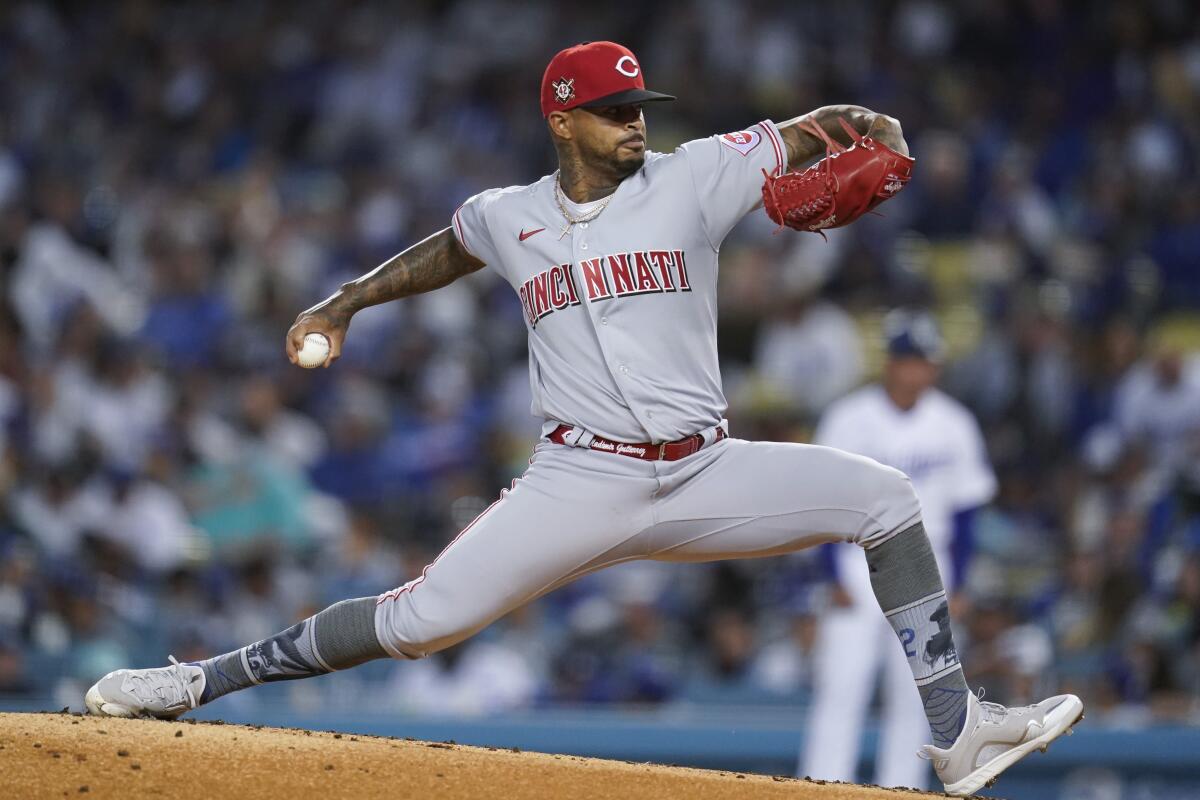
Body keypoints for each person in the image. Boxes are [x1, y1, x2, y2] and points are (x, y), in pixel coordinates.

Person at [85, 41, 1081, 796]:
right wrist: (345, 300)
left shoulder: (695, 173)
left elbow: (806, 129)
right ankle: (198, 681)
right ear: (561, 121)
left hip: (704, 469)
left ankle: (959, 730)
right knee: (417, 622)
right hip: (580, 478)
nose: (633, 123)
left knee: (886, 498)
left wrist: (861, 117)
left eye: (637, 106)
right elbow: (450, 245)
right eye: (610, 112)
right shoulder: (509, 213)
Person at [800, 310, 997, 790]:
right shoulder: (848, 418)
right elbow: (820, 500)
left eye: (923, 361)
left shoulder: (955, 424)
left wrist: (963, 582)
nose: (914, 370)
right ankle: (823, 784)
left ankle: (901, 788)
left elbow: (968, 511)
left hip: (932, 568)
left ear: (934, 367)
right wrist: (830, 574)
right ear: (889, 362)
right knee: (840, 687)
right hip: (857, 563)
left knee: (918, 696)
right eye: (906, 359)